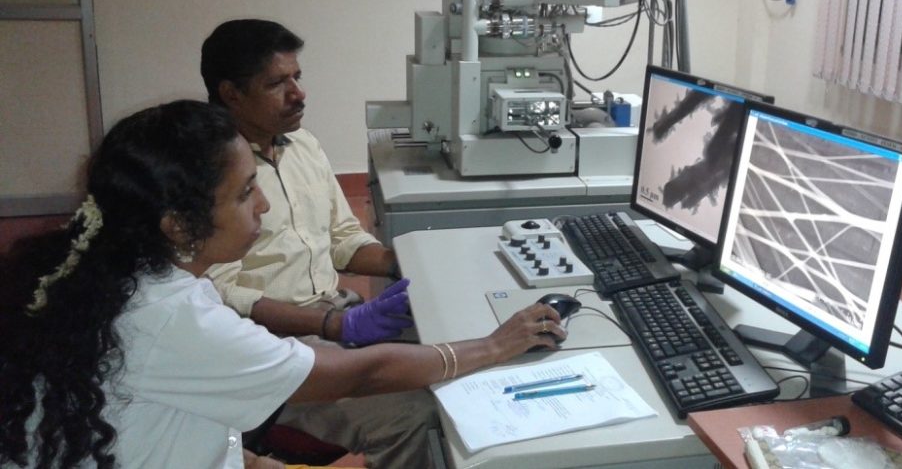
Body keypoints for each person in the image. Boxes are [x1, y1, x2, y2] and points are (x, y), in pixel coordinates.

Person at [0, 100, 565, 469]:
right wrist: (494, 345)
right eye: (246, 193)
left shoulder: (114, 275)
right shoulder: (171, 315)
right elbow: (361, 371)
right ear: (178, 223)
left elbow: (162, 413)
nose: (264, 204)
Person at [199, 19, 440, 466]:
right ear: (231, 93)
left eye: (297, 77)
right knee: (418, 414)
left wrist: (411, 264)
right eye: (277, 83)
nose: (298, 93)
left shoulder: (303, 145)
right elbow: (220, 294)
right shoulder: (209, 171)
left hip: (336, 315)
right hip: (272, 350)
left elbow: (343, 240)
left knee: (449, 349)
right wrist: (332, 327)